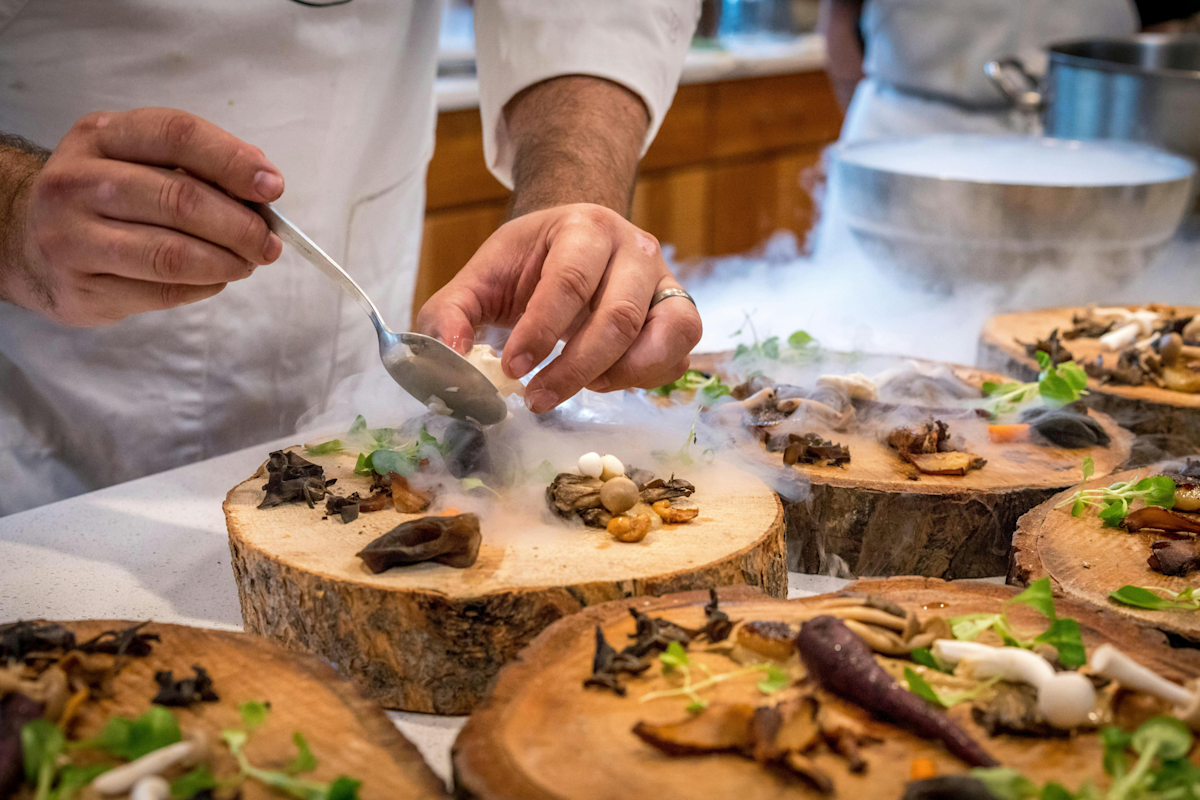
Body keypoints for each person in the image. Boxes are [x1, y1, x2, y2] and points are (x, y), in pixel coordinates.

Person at [0, 1, 705, 516]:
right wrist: (14, 214)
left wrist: (571, 202)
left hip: (339, 379)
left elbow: (591, 17)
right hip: (44, 458)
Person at [818, 0, 1144, 142]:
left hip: (1074, 137)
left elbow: (1159, 34)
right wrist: (851, 150)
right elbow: (840, 20)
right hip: (904, 132)